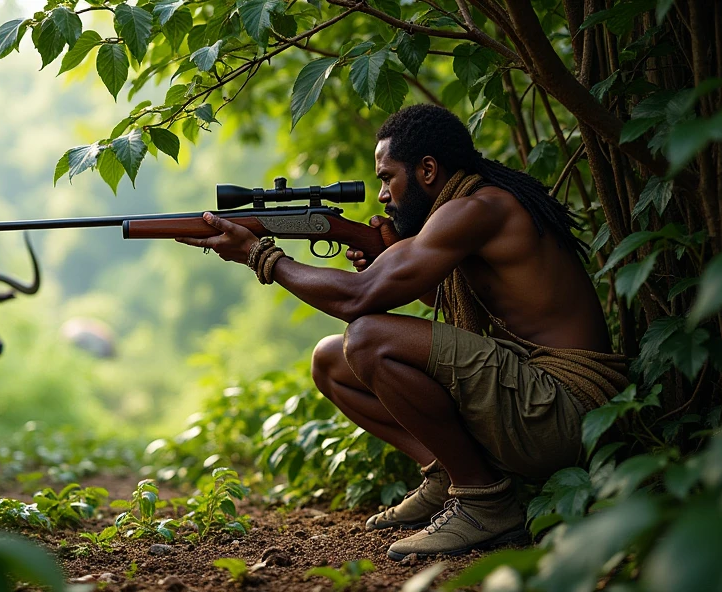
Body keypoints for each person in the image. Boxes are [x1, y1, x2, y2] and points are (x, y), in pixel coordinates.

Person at [175, 104, 628, 561]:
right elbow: (439, 297)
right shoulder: (469, 205)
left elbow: (356, 300)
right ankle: (446, 475)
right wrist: (389, 254)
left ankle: (484, 500)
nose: (383, 195)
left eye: (388, 177)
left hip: (566, 412)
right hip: (540, 402)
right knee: (331, 359)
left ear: (427, 169)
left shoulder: (475, 210)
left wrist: (262, 256)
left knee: (368, 337)